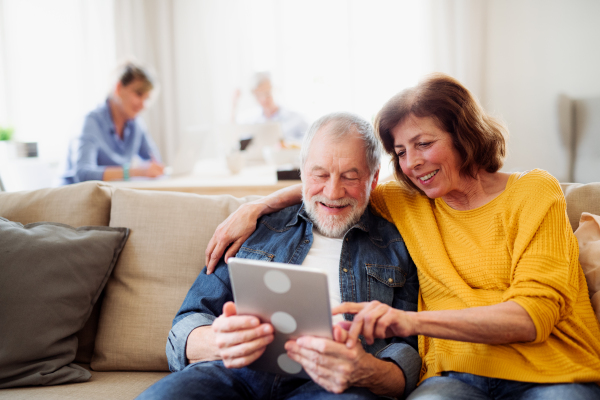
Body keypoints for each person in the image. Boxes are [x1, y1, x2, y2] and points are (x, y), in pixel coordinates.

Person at [204, 73, 600, 399]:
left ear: (464, 134)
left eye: (424, 144)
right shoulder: (410, 198)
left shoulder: (533, 191)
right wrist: (254, 207)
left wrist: (409, 321)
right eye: (401, 151)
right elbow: (339, 187)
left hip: (553, 373)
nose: (412, 164)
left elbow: (533, 318)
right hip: (455, 376)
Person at [137, 112, 421, 399]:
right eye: (320, 174)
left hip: (331, 386)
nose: (333, 191)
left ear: (373, 180)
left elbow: (408, 349)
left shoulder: (397, 245)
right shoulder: (258, 228)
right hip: (233, 373)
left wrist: (366, 369)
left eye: (350, 176)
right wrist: (219, 340)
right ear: (301, 173)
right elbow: (186, 323)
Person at [62, 62, 164, 184]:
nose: (143, 105)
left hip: (107, 197)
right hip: (73, 198)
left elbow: (155, 164)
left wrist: (153, 169)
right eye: (138, 94)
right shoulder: (90, 122)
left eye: (147, 98)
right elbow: (83, 174)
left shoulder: (136, 125)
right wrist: (136, 172)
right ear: (118, 88)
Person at [234, 72, 309, 143]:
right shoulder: (251, 121)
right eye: (258, 95)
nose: (263, 99)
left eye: (267, 93)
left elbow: (309, 141)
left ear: (274, 90)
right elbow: (235, 135)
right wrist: (234, 105)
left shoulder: (295, 118)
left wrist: (290, 145)